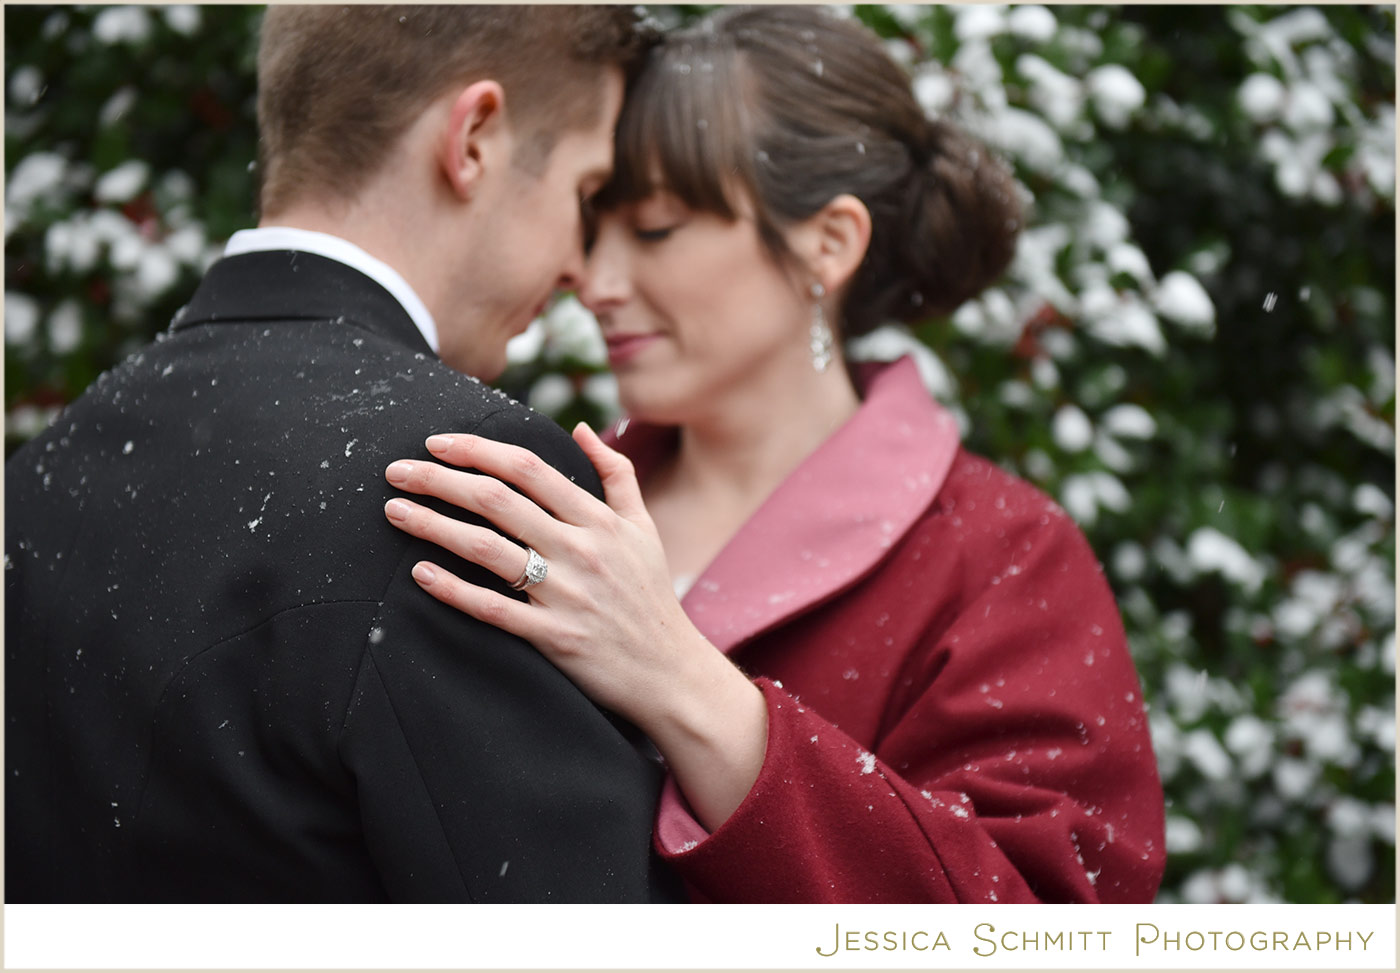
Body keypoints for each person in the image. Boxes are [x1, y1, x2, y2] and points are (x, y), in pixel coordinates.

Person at [383, 6, 1167, 903]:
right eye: (595, 226)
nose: (595, 282)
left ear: (828, 244)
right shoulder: (549, 500)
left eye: (656, 228)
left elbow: (1039, 925)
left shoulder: (1006, 559)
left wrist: (687, 688)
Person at [5, 5, 680, 903]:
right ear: (474, 137)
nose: (578, 267)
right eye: (584, 194)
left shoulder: (41, 474)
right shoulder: (466, 480)